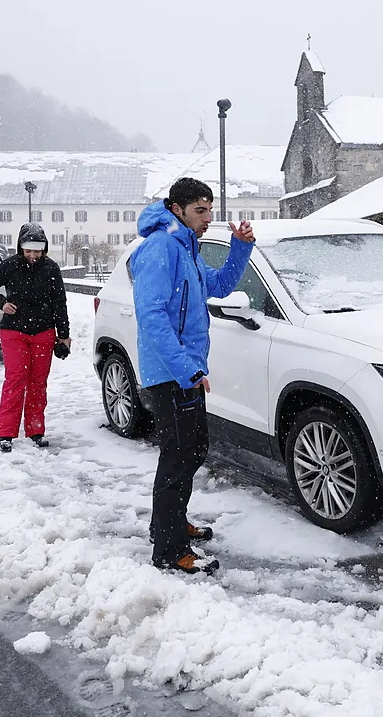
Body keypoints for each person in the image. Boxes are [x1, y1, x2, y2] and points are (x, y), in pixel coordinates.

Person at [129, 177, 255, 575]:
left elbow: (215, 286)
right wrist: (186, 369)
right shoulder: (161, 247)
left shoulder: (186, 245)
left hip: (189, 370)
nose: (208, 218)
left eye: (211, 210)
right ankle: (169, 550)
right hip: (171, 372)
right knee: (179, 456)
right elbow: (151, 315)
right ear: (177, 208)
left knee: (192, 449)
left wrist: (240, 248)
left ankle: (167, 524)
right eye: (200, 210)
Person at [0, 223, 72, 453]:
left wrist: (64, 336)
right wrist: (0, 303)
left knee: (38, 382)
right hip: (14, 332)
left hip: (43, 332)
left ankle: (36, 430)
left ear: (44, 249)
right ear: (20, 248)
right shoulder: (10, 266)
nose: (33, 255)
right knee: (15, 379)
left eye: (37, 251)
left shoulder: (51, 269)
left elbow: (60, 303)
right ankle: (5, 434)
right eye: (28, 250)